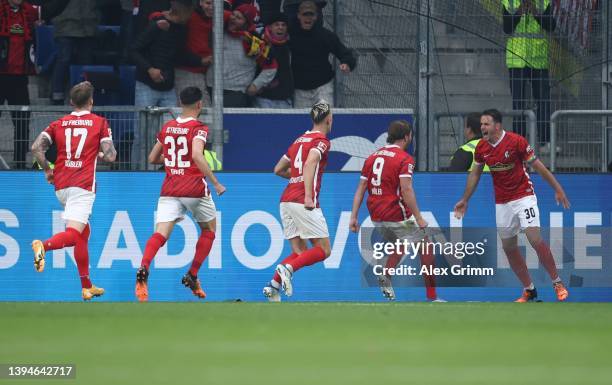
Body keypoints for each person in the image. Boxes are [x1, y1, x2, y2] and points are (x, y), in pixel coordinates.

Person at [453, 109, 571, 302]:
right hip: (502, 202)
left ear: (497, 126)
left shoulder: (516, 142)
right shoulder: (481, 148)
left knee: (534, 239)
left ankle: (557, 282)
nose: (482, 127)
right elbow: (474, 174)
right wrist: (465, 199)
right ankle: (529, 289)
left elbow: (539, 167)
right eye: (481, 124)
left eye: (486, 124)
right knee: (508, 247)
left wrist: (558, 189)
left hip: (524, 196)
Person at [135, 86, 226, 302]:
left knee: (160, 233)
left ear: (180, 102)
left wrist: (174, 162)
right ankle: (193, 274)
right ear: (199, 104)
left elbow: (152, 158)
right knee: (209, 229)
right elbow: (196, 154)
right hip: (193, 186)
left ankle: (144, 267)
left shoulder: (168, 127)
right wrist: (215, 182)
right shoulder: (199, 128)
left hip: (170, 186)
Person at [30, 81, 117, 301]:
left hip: (61, 186)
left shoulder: (59, 123)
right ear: (91, 102)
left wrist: (48, 170)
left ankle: (86, 286)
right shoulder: (99, 123)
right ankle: (43, 246)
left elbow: (36, 147)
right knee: (73, 235)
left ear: (71, 102)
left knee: (83, 235)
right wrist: (102, 148)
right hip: (82, 186)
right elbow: (111, 156)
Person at [349, 120, 443, 302]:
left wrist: (353, 216)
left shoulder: (372, 157)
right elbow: (406, 190)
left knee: (403, 241)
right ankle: (432, 297)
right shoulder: (404, 159)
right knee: (426, 246)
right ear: (407, 137)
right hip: (395, 213)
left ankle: (387, 274)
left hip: (376, 216)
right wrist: (419, 218)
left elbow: (361, 188)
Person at [262, 100, 332, 301]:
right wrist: (309, 195)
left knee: (300, 251)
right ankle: (288, 269)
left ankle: (274, 285)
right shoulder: (322, 141)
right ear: (329, 119)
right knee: (324, 250)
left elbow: (278, 169)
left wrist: (297, 177)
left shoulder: (298, 140)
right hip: (303, 200)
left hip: (286, 200)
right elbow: (310, 161)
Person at [502, 0, 555, 149]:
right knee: (518, 103)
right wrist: (519, 11)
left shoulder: (544, 2)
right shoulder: (509, 2)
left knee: (543, 102)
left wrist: (535, 12)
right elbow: (507, 28)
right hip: (516, 60)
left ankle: (545, 141)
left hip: (538, 60)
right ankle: (519, 143)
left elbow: (551, 26)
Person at [206, 3, 277, 107]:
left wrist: (256, 85)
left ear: (246, 23)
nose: (233, 18)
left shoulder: (255, 42)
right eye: (233, 14)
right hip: (210, 87)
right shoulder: (219, 31)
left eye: (238, 17)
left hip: (236, 93)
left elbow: (271, 67)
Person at [289, 0, 356, 108]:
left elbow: (344, 53)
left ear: (316, 16)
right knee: (303, 123)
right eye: (305, 14)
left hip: (323, 87)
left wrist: (347, 63)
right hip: (300, 90)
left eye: (311, 14)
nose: (308, 18)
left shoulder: (326, 36)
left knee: (323, 120)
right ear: (298, 16)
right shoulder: (290, 35)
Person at [0, 0, 38, 169]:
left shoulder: (29, 11)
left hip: (20, 78)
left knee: (22, 121)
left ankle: (20, 162)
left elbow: (53, 8)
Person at [49, 0, 99, 104]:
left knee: (86, 62)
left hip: (88, 24)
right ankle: (57, 94)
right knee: (64, 59)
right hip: (66, 23)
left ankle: (84, 97)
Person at [174, 0, 213, 106]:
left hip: (204, 74)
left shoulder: (220, 18)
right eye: (208, 3)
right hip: (187, 72)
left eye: (215, 3)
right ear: (200, 2)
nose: (211, 7)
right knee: (198, 110)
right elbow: (177, 50)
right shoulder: (188, 16)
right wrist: (200, 60)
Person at [253, 12, 294, 108]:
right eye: (277, 24)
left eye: (283, 25)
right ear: (270, 27)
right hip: (263, 99)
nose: (280, 27)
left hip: (284, 99)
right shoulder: (260, 43)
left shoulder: (290, 46)